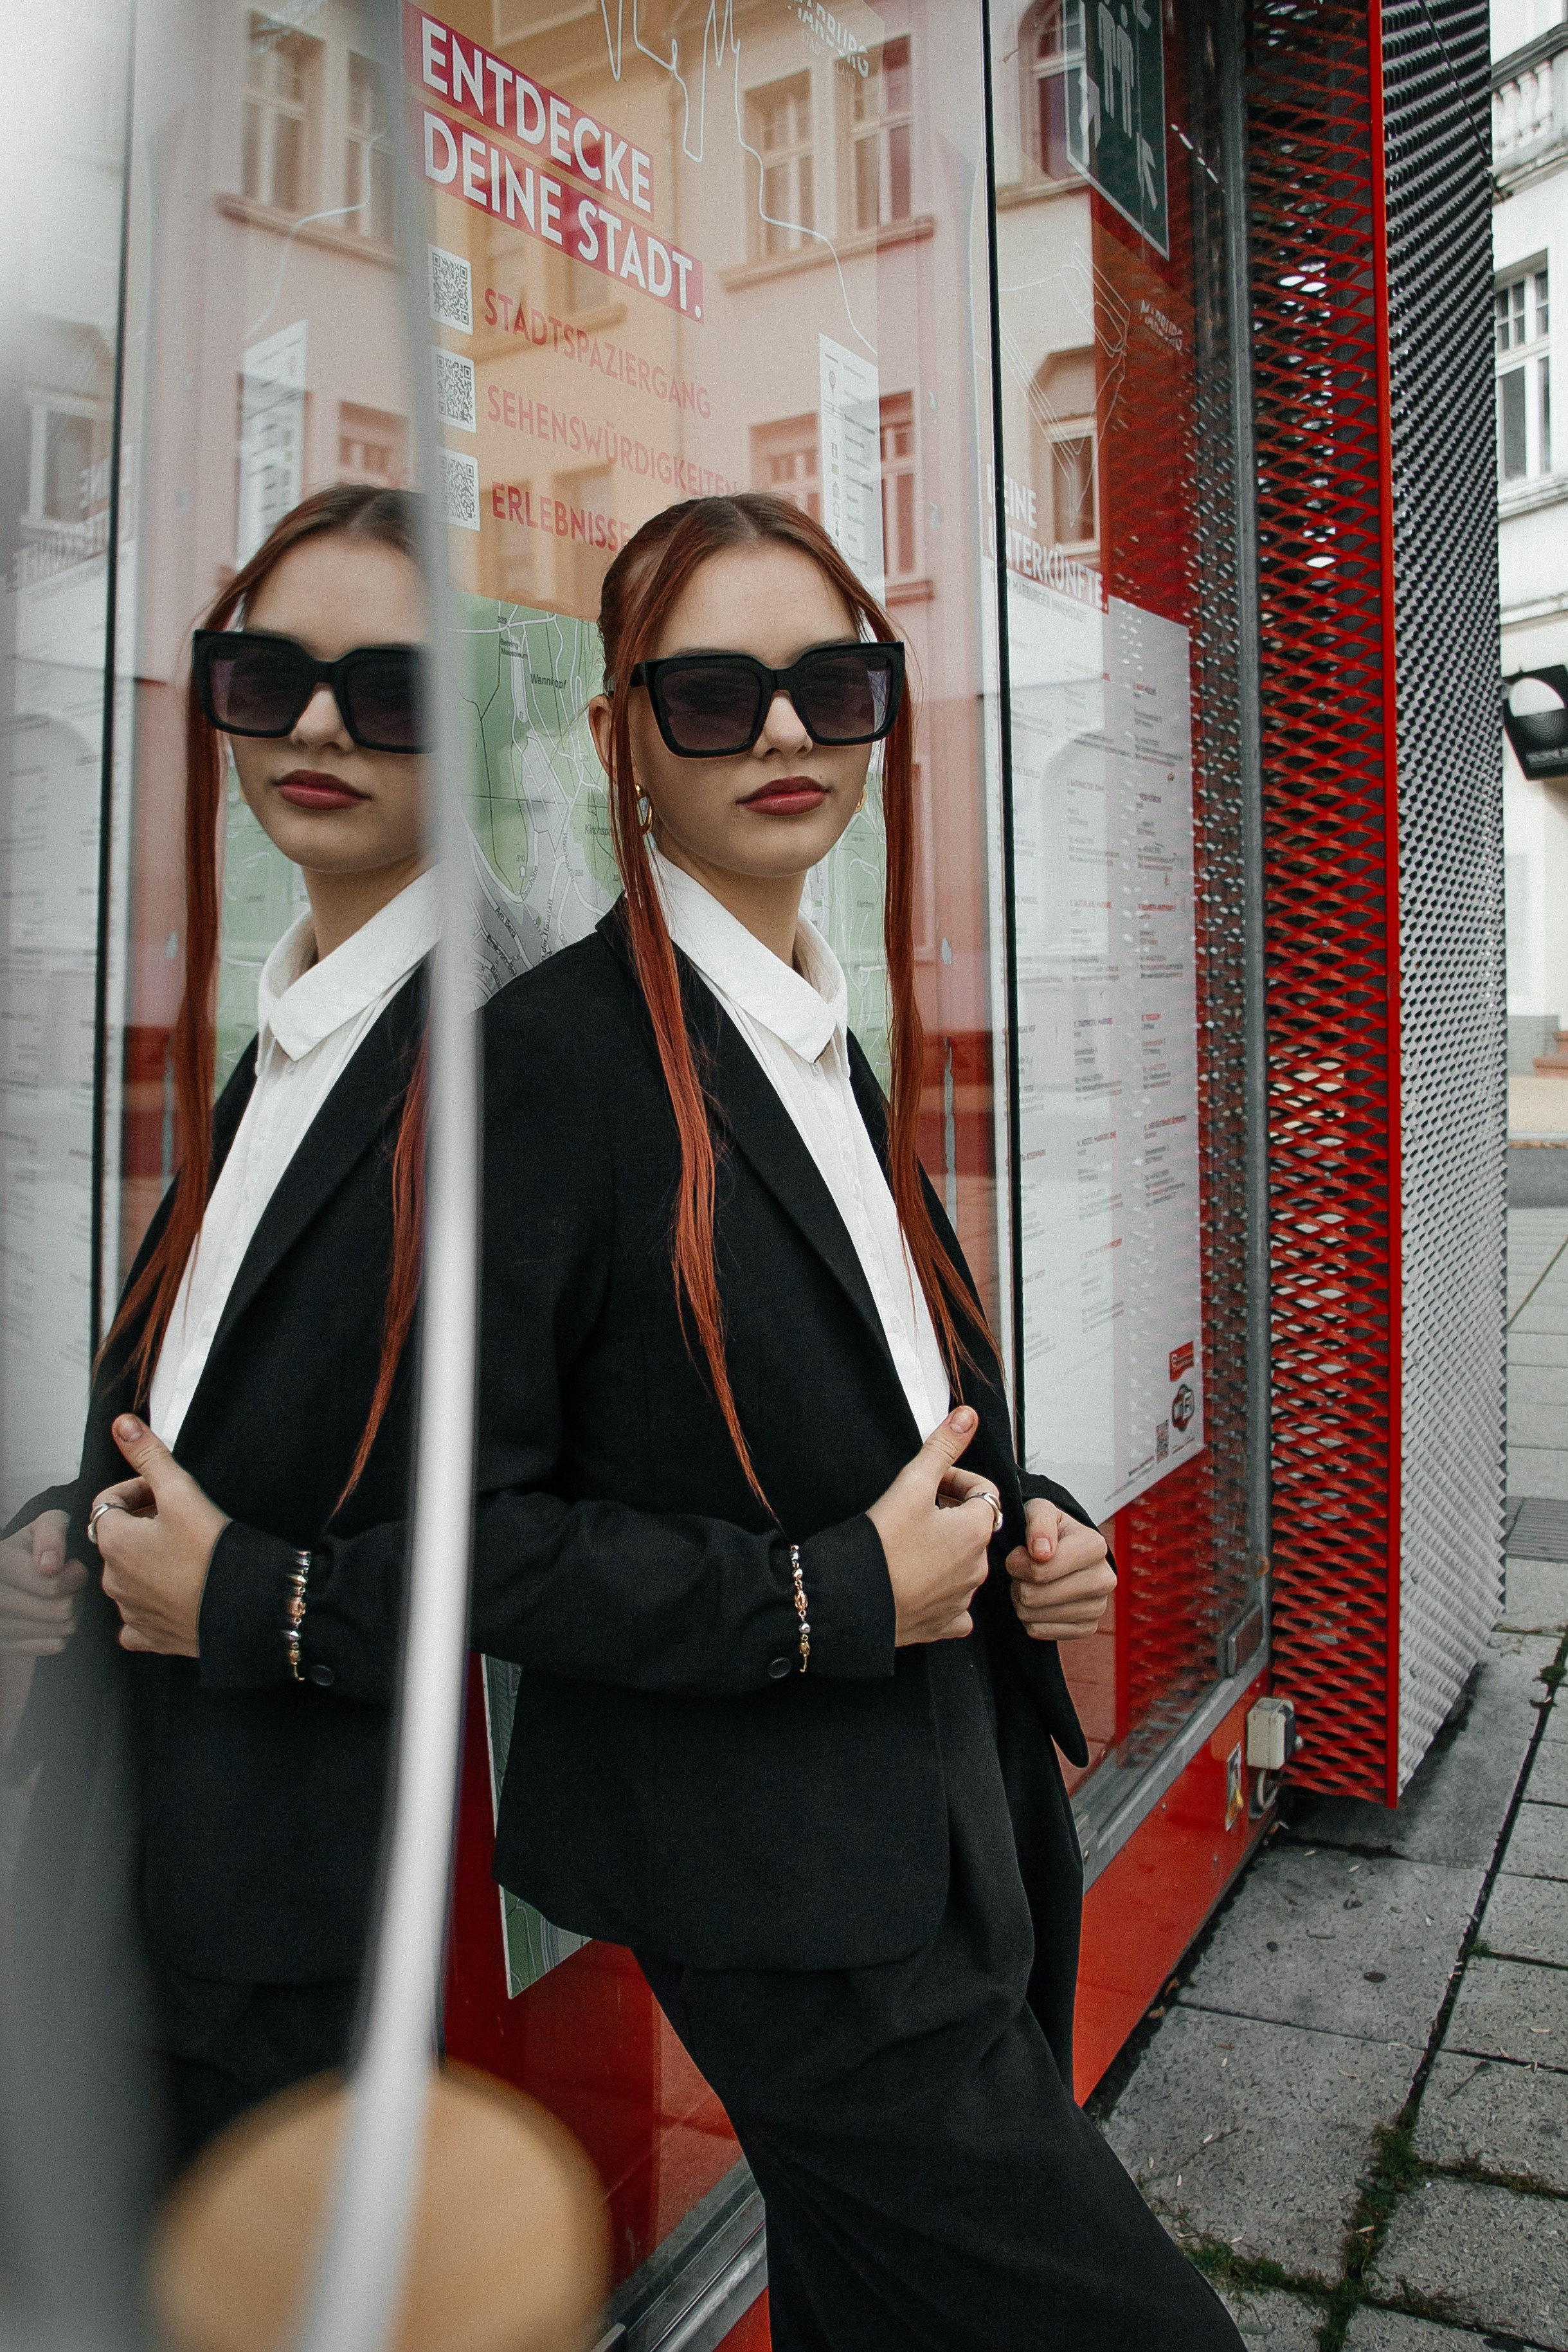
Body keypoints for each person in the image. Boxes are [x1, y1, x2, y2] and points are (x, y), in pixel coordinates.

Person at [471, 493, 1244, 2349]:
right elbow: (467, 1537)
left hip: (969, 1787)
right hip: (776, 1872)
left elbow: (886, 1386)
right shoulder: (547, 1066)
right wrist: (826, 1593)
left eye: (834, 685)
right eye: (715, 693)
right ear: (619, 735)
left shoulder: (816, 1026)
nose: (787, 733)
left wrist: (1030, 1514)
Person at [1, 484, 435, 2169]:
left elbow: (577, 1545)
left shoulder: (504, 1065)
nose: (315, 726)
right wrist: (68, 1531)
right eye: (268, 675)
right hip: (129, 1865)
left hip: (310, 1928)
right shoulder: (293, 1029)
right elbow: (206, 1411)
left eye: (386, 688)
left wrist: (256, 1594)